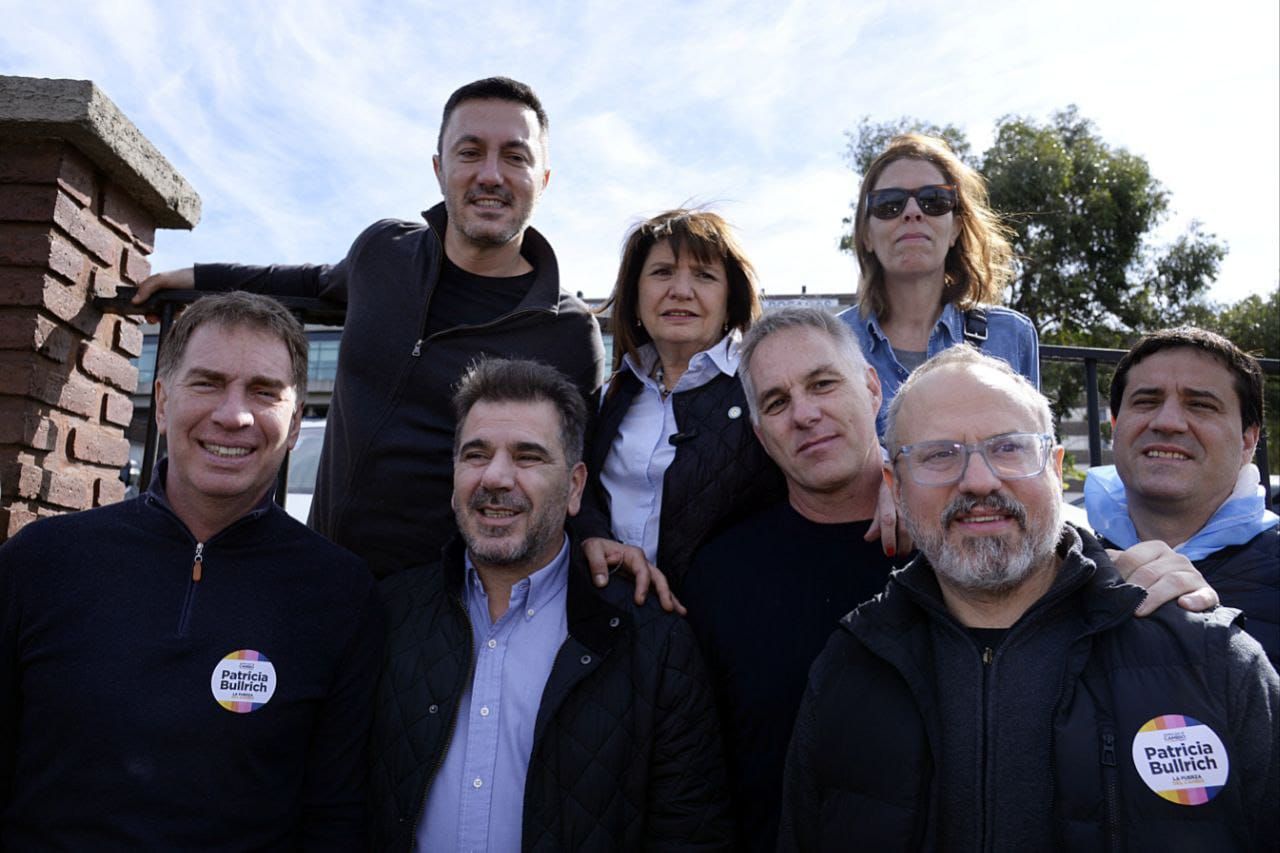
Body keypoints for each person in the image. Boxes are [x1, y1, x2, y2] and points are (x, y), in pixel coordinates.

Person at [779, 346, 1278, 851]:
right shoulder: (849, 666)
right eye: (938, 455)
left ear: (1056, 470)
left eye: (1009, 448)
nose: (978, 481)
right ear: (897, 487)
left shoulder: (1214, 661)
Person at [134, 76, 605, 580]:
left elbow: (586, 468)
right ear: (439, 168)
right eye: (470, 153)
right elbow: (311, 283)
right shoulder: (383, 252)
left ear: (545, 179)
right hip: (320, 578)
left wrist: (599, 536)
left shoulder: (568, 330)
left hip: (446, 611)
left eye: (515, 157)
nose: (490, 174)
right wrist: (196, 279)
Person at [0, 292, 382, 848]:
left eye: (263, 391)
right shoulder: (39, 562)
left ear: (295, 422)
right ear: (160, 402)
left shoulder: (342, 595)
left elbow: (335, 817)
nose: (233, 415)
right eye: (206, 383)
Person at [368, 358, 731, 851]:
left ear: (575, 486)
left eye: (527, 457)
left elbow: (690, 833)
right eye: (476, 454)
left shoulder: (650, 641)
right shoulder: (387, 617)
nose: (496, 477)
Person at [683, 307, 901, 851]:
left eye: (823, 384)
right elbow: (697, 780)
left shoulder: (953, 540)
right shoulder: (719, 575)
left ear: (872, 388)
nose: (804, 414)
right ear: (760, 434)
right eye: (777, 402)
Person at [577, 209, 784, 594]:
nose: (681, 291)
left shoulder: (769, 383)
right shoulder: (609, 395)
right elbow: (576, 488)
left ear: (730, 300)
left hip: (727, 620)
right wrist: (590, 534)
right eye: (662, 272)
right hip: (611, 617)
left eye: (704, 276)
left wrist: (883, 477)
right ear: (635, 293)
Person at [1086, 327, 1279, 665]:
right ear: (1115, 426)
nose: (1168, 422)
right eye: (1146, 401)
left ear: (1248, 441)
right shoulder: (1061, 574)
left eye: (1201, 405)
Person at [838, 133, 1039, 436]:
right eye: (889, 204)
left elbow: (1031, 454)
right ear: (866, 234)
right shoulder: (835, 343)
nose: (912, 212)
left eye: (933, 200)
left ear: (956, 228)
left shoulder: (1011, 335)